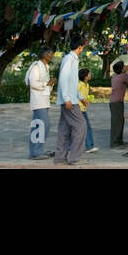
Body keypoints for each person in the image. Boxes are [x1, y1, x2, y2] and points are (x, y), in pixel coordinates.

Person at [54, 34, 89, 165]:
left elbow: (73, 83)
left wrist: (81, 97)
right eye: (83, 48)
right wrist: (67, 98)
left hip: (71, 99)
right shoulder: (69, 59)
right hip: (69, 101)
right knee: (81, 126)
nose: (83, 50)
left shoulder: (73, 59)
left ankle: (59, 157)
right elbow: (63, 79)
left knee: (64, 129)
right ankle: (73, 157)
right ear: (80, 47)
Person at [25, 47, 56, 159]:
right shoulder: (36, 67)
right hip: (38, 101)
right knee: (43, 125)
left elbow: (45, 84)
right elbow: (33, 83)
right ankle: (36, 152)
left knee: (38, 125)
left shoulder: (46, 67)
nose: (52, 56)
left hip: (44, 100)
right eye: (51, 53)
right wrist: (47, 84)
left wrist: (50, 84)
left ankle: (36, 151)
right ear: (46, 54)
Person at [108, 61, 128, 148]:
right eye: (124, 66)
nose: (126, 66)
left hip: (115, 102)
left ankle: (119, 141)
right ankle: (114, 143)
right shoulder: (122, 76)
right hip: (117, 102)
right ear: (121, 69)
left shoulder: (115, 76)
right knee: (117, 122)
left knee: (120, 121)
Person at [78, 67, 98, 154]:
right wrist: (82, 99)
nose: (90, 75)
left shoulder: (87, 85)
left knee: (82, 128)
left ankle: (70, 147)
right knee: (86, 128)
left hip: (83, 109)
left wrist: (89, 98)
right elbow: (75, 93)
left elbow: (85, 96)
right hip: (78, 110)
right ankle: (89, 146)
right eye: (89, 74)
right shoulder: (79, 85)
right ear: (85, 76)